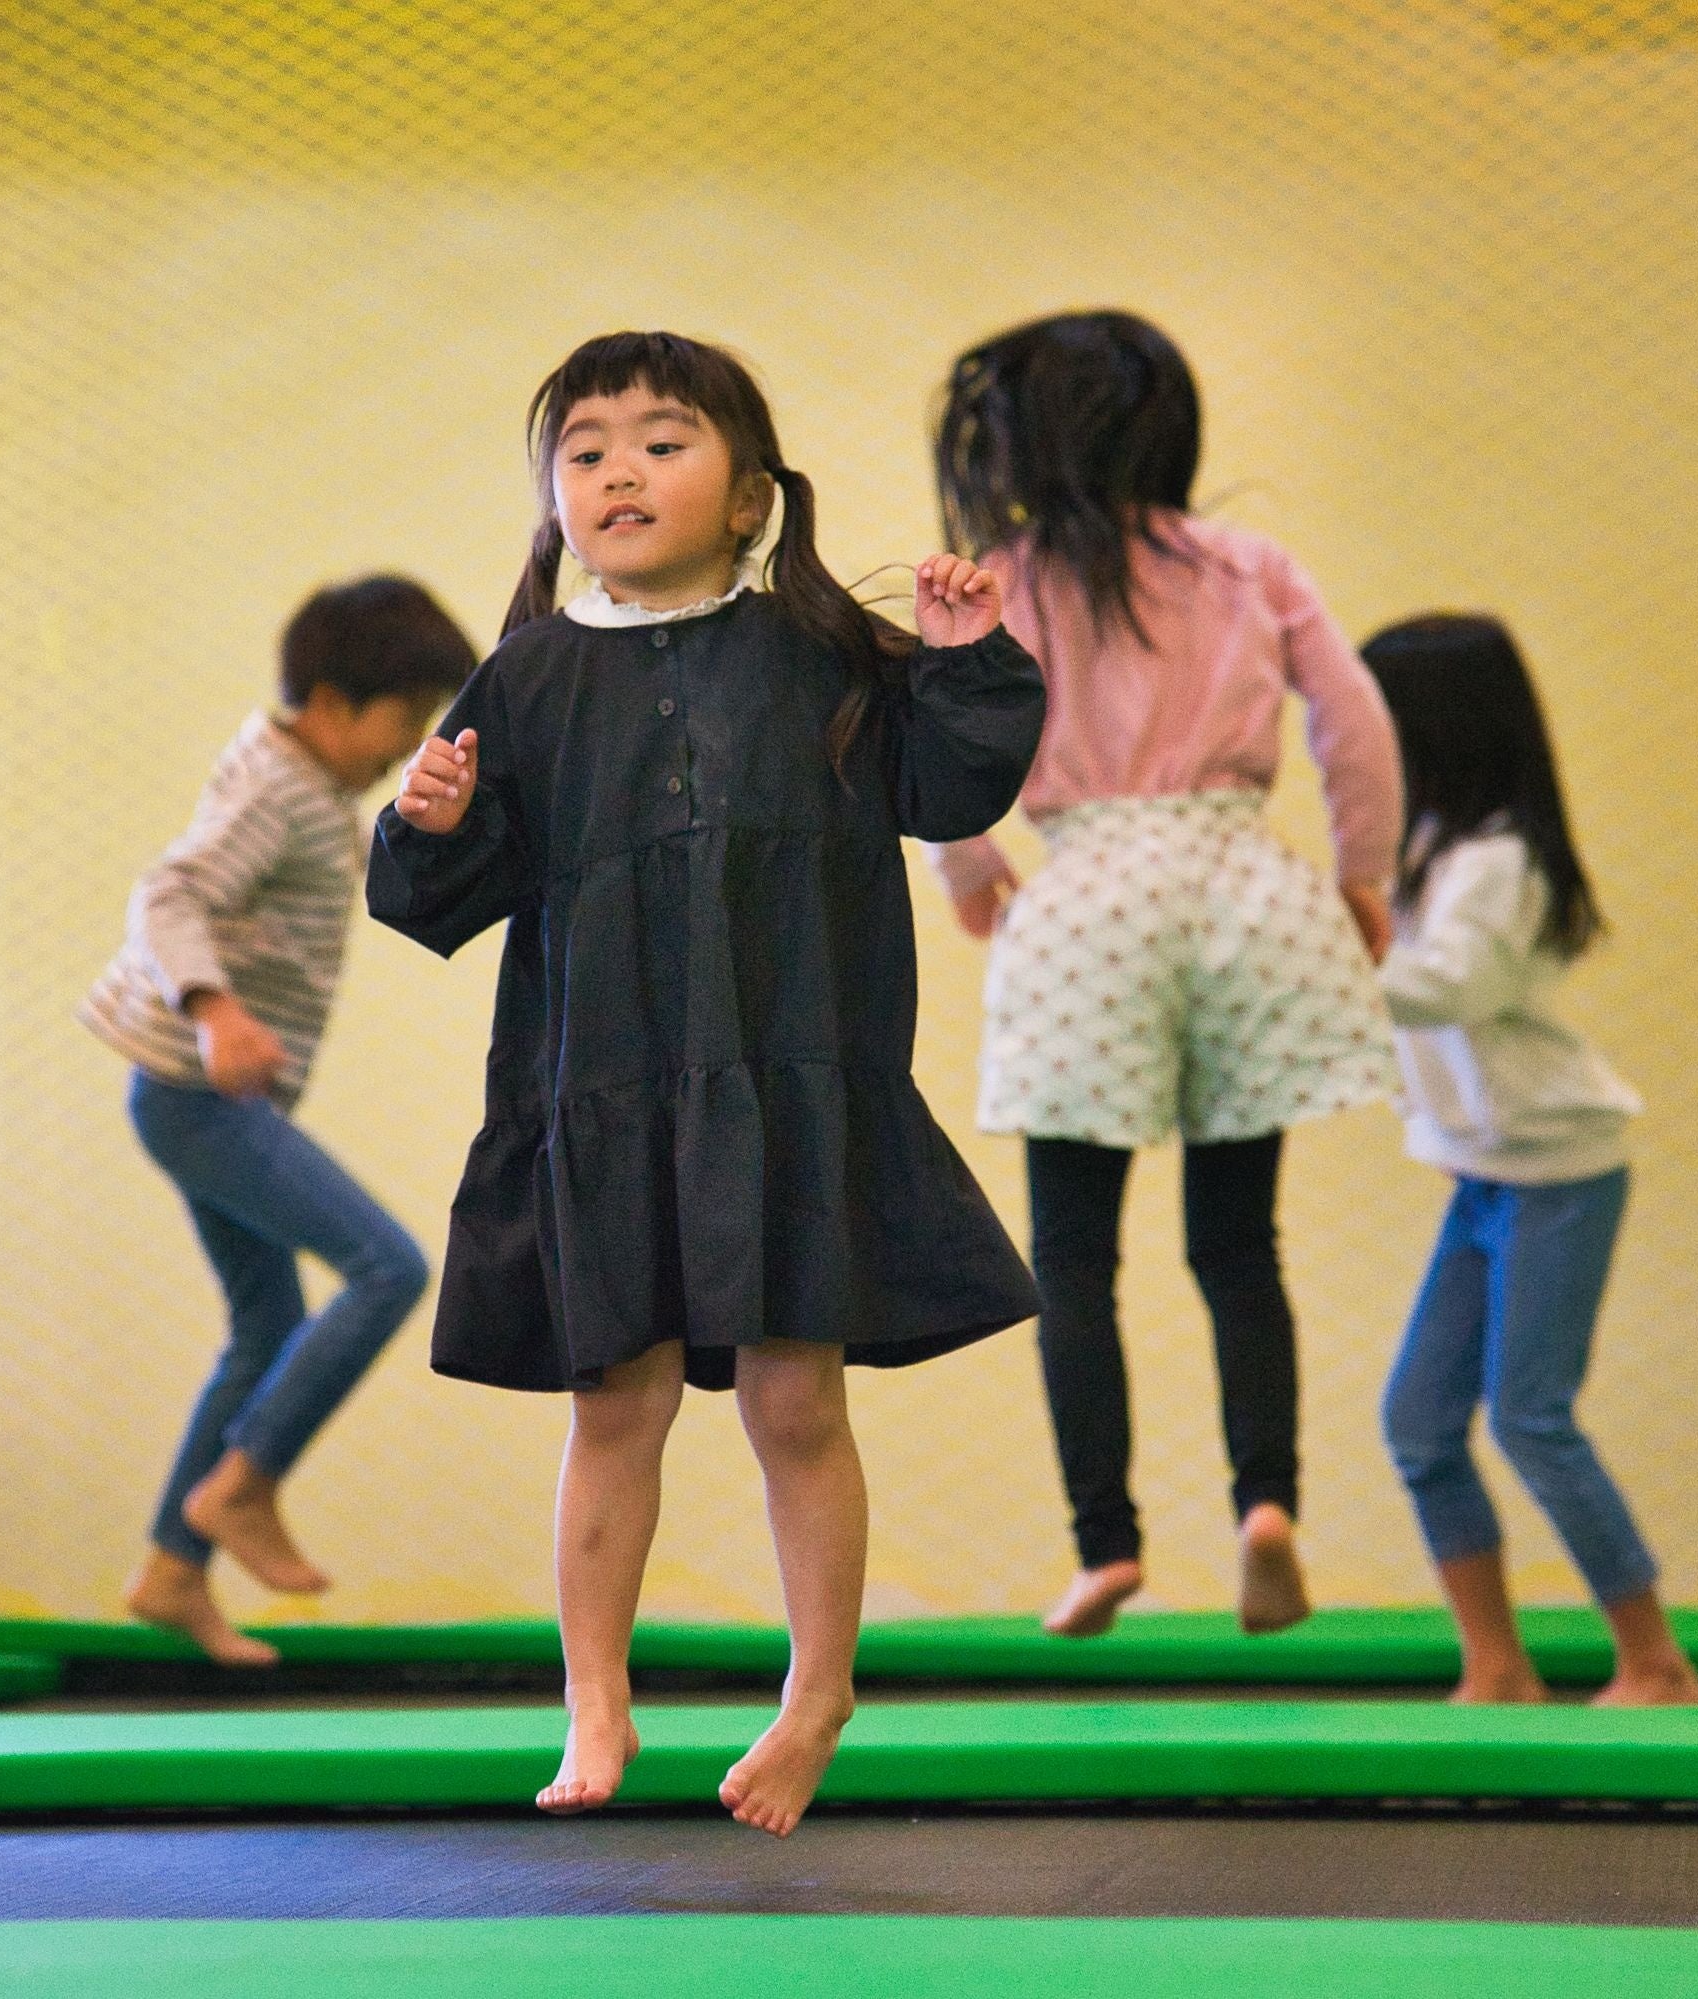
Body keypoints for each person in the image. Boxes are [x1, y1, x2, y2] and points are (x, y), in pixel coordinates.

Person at [369, 331, 1043, 1835]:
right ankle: (594, 1693)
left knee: (798, 1396)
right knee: (618, 1394)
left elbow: (949, 786)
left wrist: (962, 657)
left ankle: (818, 1692)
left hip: (793, 1078)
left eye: (663, 440)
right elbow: (433, 901)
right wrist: (426, 818)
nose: (619, 467)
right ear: (556, 497)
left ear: (750, 497)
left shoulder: (822, 653)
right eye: (587, 445)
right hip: (604, 1088)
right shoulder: (530, 675)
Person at [927, 310, 1400, 1640]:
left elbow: (933, 738)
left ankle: (1106, 1543)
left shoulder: (1003, 577)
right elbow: (1352, 721)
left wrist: (970, 871)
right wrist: (1362, 872)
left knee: (1075, 1254)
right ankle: (1267, 1505)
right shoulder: (1248, 563)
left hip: (1082, 897)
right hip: (1240, 886)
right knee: (1239, 1242)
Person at [81, 576, 474, 1666]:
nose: (403, 751)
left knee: (264, 1325)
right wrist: (212, 1010)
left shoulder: (301, 780)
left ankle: (171, 1567)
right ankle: (243, 1485)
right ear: (336, 703)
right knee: (387, 1266)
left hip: (200, 1098)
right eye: (401, 725)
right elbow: (166, 893)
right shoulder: (281, 791)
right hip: (196, 1094)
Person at [1362, 612, 1698, 1706]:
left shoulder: (1500, 857)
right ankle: (1496, 1663)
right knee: (1419, 1421)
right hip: (1483, 1172)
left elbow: (1455, 987)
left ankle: (1656, 1662)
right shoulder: (1428, 849)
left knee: (1530, 1415)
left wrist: (1323, 952)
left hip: (1559, 1169)